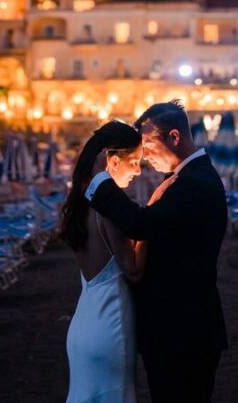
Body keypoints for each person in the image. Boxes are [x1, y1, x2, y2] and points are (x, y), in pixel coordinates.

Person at [86, 101, 228, 403]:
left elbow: (140, 224)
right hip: (175, 331)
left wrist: (100, 181)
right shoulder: (183, 180)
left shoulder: (196, 184)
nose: (145, 156)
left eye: (148, 144)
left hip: (184, 333)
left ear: (174, 137)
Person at [58, 120, 145, 403]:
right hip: (110, 327)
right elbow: (132, 270)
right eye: (134, 161)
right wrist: (152, 229)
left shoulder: (81, 205)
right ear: (112, 159)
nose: (138, 170)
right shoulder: (107, 210)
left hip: (83, 326)